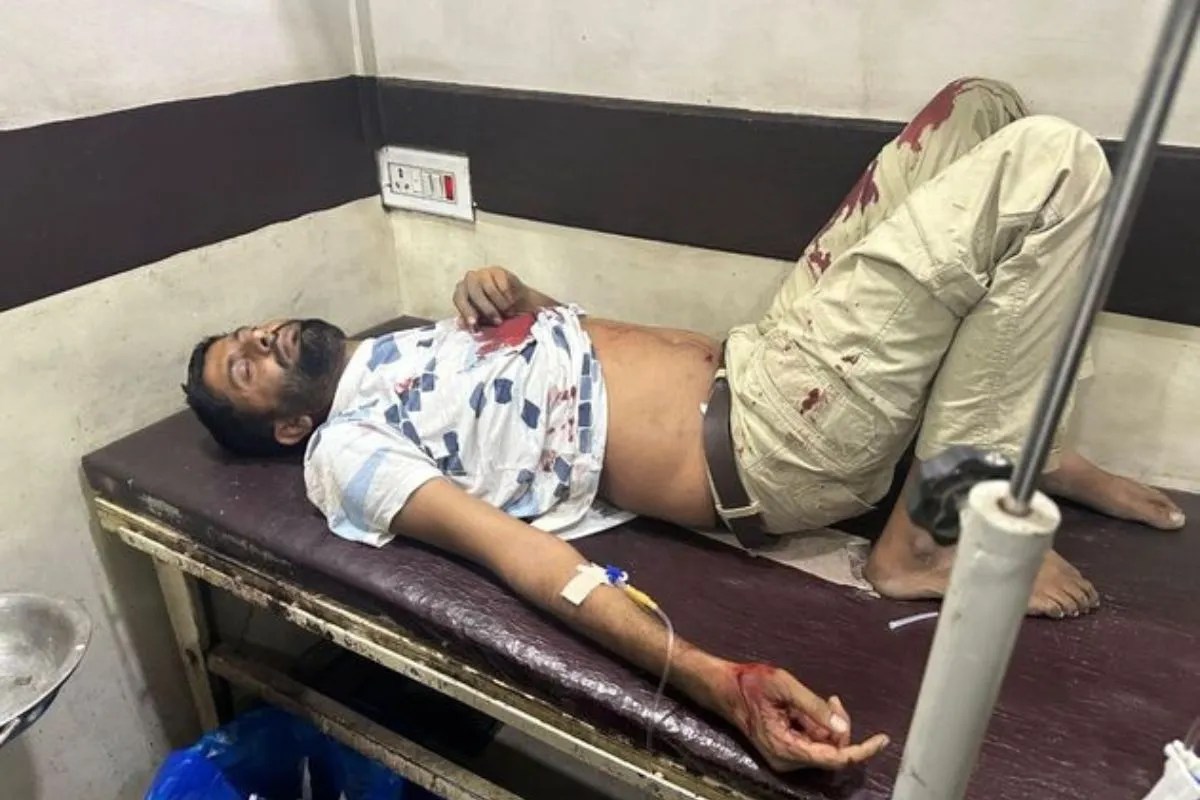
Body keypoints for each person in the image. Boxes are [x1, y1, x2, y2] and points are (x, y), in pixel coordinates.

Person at [181, 79, 1185, 772]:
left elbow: (574, 371)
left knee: (979, 109)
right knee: (1050, 163)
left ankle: (1011, 433)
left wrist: (521, 298)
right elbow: (518, 553)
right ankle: (927, 534)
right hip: (774, 439)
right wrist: (710, 676)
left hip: (767, 354)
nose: (262, 337)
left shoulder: (402, 348)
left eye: (250, 331)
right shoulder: (346, 450)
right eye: (245, 365)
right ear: (286, 429)